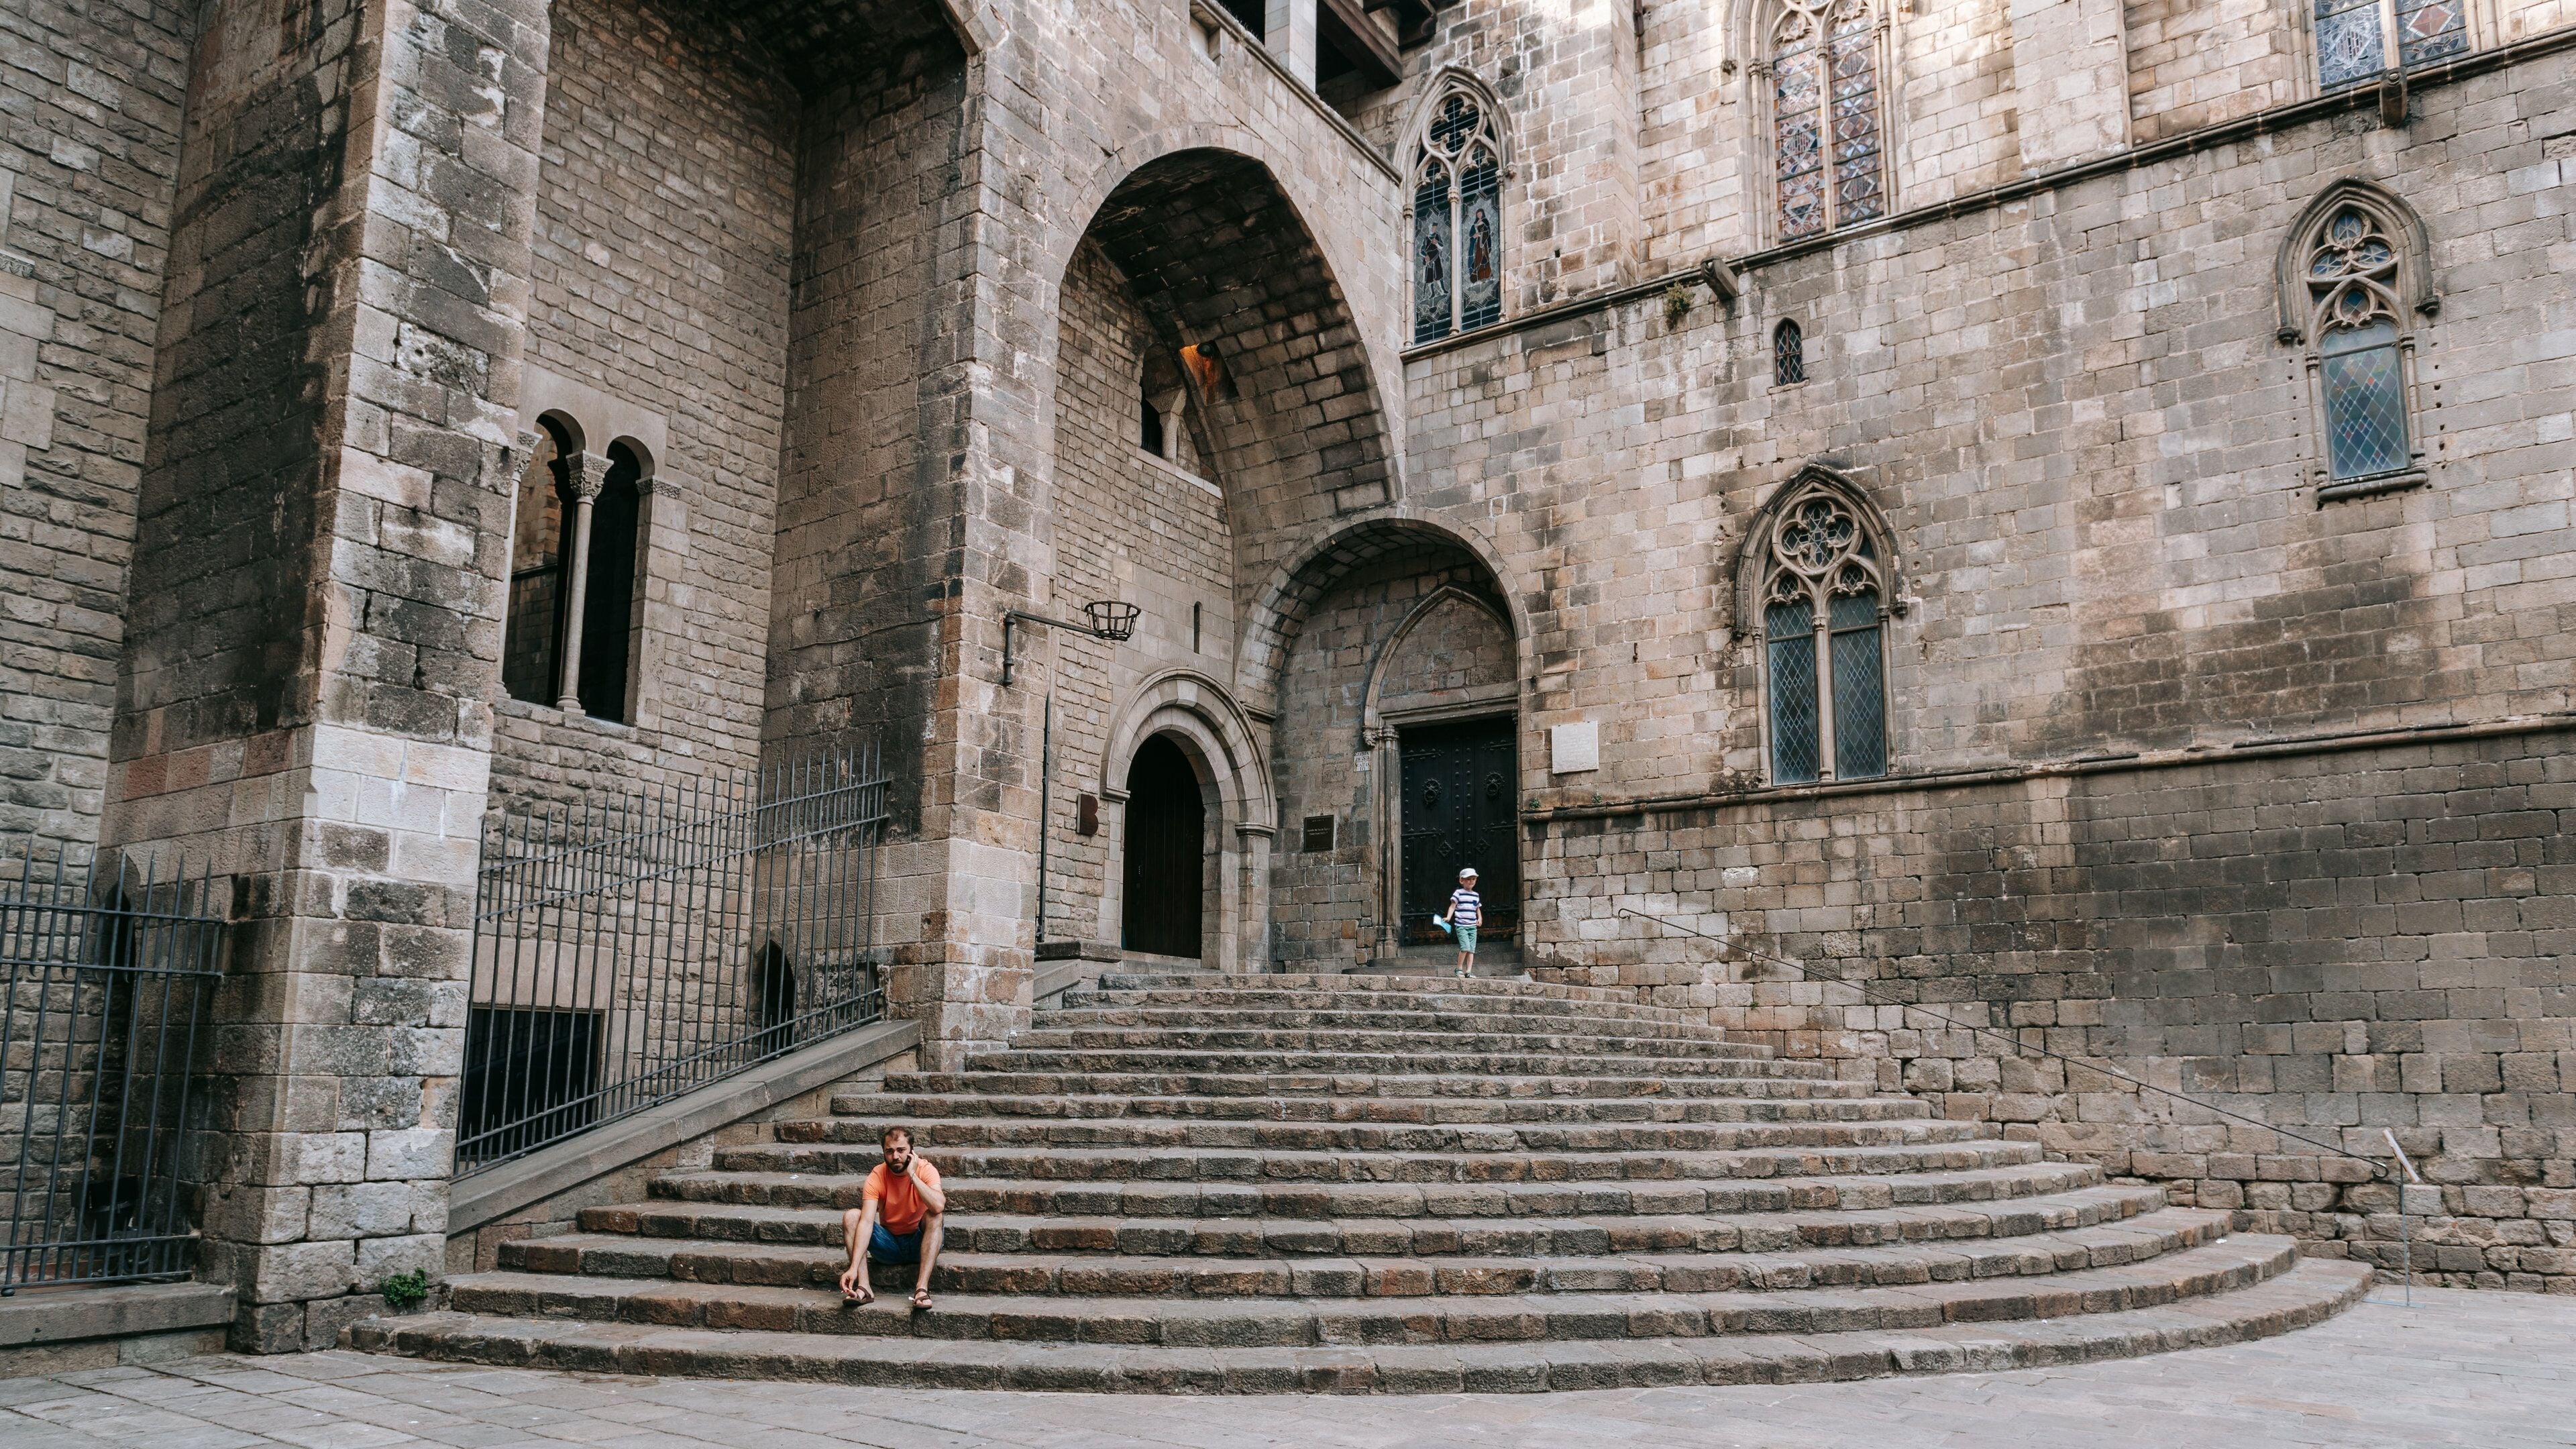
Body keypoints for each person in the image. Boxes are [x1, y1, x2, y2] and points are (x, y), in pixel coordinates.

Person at [839, 1124, 945, 1309]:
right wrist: (853, 1266)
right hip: (889, 1246)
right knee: (852, 1216)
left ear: (912, 1152)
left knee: (935, 1216)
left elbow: (938, 1205)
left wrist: (912, 1174)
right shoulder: (877, 1175)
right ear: (884, 1153)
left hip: (920, 1245)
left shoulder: (926, 1169)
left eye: (901, 1150)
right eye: (890, 1151)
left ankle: (921, 1289)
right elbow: (865, 1222)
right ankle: (864, 1287)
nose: (895, 1156)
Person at [1436, 866, 1481, 978]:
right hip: (1462, 926)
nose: (1471, 881)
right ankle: (1459, 968)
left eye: (1473, 879)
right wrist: (1448, 917)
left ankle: (1469, 971)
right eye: (1468, 879)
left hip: (1472, 926)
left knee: (1471, 950)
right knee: (1465, 947)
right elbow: (1453, 906)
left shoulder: (1475, 895)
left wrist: (1480, 918)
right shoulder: (1458, 893)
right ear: (1462, 880)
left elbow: (1477, 908)